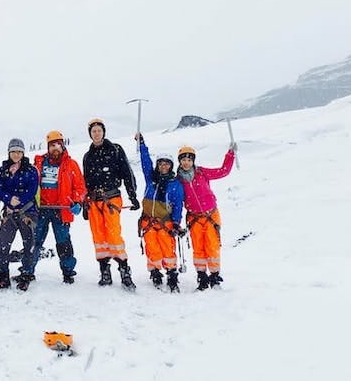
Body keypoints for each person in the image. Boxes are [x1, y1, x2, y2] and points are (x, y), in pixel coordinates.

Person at [82, 118, 139, 291]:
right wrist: (85, 203)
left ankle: (124, 271)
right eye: (93, 131)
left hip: (111, 198)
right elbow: (85, 181)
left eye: (99, 130)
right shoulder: (87, 156)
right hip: (93, 201)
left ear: (104, 132)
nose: (96, 133)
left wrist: (132, 195)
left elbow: (127, 173)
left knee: (114, 235)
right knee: (99, 237)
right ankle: (104, 271)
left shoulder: (115, 150)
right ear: (90, 134)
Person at [29, 130, 87, 288]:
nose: (55, 148)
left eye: (58, 145)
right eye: (52, 145)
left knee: (63, 242)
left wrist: (77, 202)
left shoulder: (71, 164)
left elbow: (80, 187)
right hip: (41, 209)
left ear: (63, 146)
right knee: (34, 240)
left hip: (61, 210)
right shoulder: (39, 164)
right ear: (48, 147)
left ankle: (68, 271)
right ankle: (28, 270)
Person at [176, 142, 236, 290]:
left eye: (189, 159)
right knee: (199, 249)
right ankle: (202, 278)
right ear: (180, 161)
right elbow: (176, 201)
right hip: (194, 218)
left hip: (211, 216)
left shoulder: (202, 173)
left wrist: (230, 154)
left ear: (193, 161)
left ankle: (215, 278)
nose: (186, 162)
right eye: (183, 159)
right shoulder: (178, 180)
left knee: (212, 247)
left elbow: (223, 171)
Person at [135, 133, 185, 292]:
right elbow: (145, 161)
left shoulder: (175, 184)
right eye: (161, 164)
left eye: (166, 164)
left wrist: (176, 222)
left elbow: (177, 205)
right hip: (149, 220)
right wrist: (142, 144)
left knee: (167, 248)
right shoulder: (151, 178)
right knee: (152, 247)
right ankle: (155, 272)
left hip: (166, 222)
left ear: (171, 166)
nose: (163, 166)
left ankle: (171, 273)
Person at [0, 138, 39, 290]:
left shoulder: (31, 170)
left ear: (23, 153)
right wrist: (8, 199)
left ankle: (26, 274)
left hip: (28, 212)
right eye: (13, 151)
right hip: (9, 213)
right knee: (3, 244)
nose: (16, 154)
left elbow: (32, 189)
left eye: (19, 151)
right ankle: (3, 276)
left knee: (29, 244)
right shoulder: (3, 170)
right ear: (9, 152)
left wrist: (18, 201)